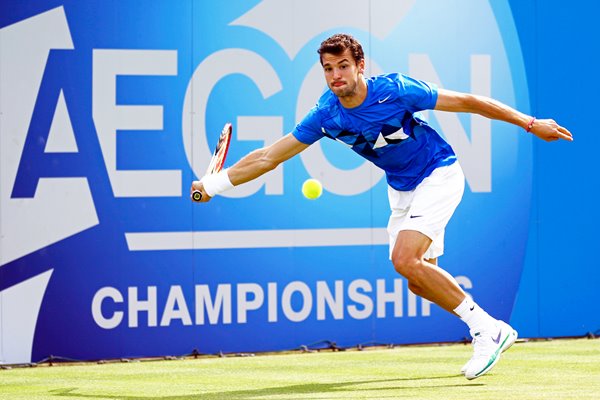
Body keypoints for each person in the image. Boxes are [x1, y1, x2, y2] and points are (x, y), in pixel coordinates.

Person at [191, 33, 573, 379]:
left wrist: (529, 122)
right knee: (418, 280)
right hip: (403, 190)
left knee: (404, 259)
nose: (335, 75)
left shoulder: (397, 89)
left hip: (438, 173)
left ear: (360, 66)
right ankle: (485, 327)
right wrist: (214, 184)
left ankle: (488, 329)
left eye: (343, 66)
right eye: (328, 69)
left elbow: (469, 102)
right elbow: (269, 156)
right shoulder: (327, 114)